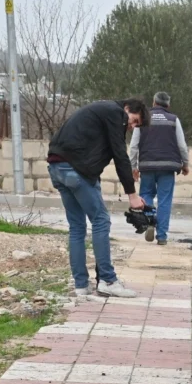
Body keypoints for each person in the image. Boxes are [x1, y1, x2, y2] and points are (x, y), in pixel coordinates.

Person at [46, 98, 147, 297]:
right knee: (101, 220)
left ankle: (81, 285)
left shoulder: (101, 110)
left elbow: (93, 150)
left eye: (137, 125)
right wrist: (132, 195)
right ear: (127, 109)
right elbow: (120, 155)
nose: (132, 126)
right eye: (134, 120)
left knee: (77, 227)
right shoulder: (116, 113)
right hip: (74, 169)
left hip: (57, 167)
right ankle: (108, 281)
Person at [131, 91, 190, 246]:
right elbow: (182, 145)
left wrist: (133, 167)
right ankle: (162, 236)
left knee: (146, 194)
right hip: (168, 167)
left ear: (153, 102)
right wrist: (185, 164)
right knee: (165, 200)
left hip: (147, 166)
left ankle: (150, 220)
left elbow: (134, 146)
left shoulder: (143, 118)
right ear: (168, 105)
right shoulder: (173, 119)